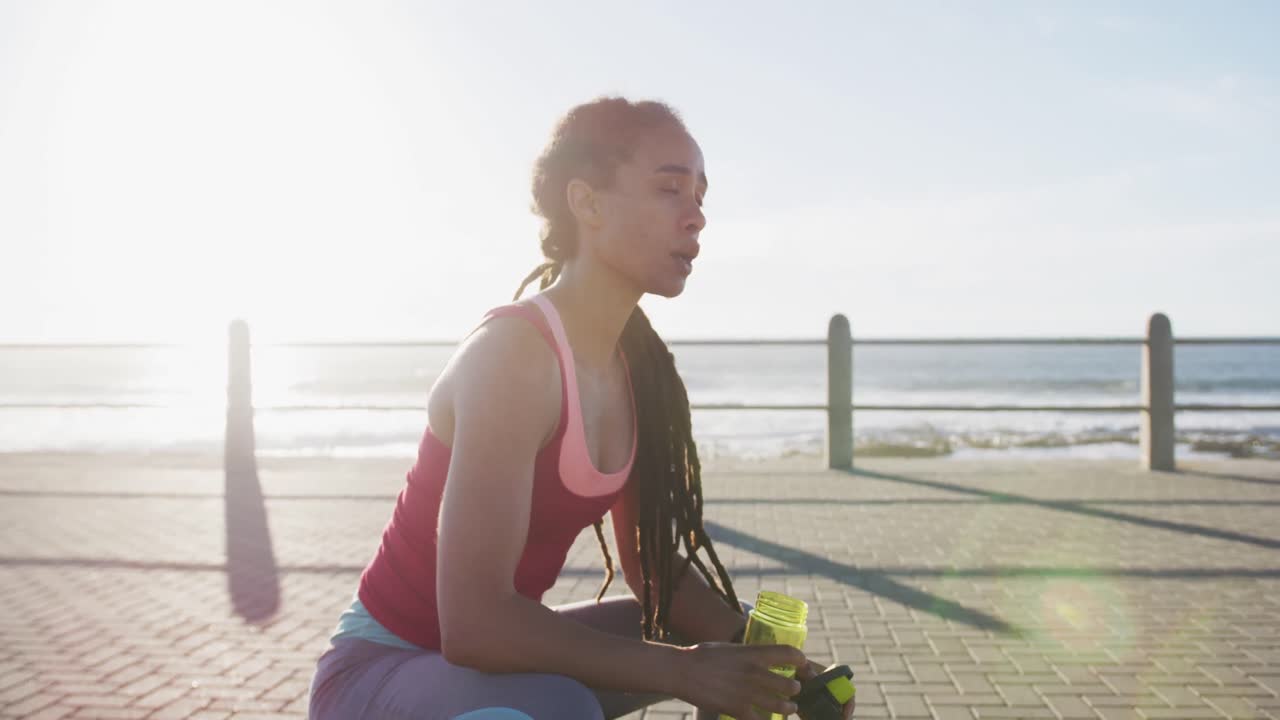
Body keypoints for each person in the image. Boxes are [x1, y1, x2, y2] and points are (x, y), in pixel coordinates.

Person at [307, 96, 856, 720]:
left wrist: (762, 669)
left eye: (701, 196)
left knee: (689, 636)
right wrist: (685, 672)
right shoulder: (514, 356)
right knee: (563, 706)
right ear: (587, 203)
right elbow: (475, 626)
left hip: (479, 674)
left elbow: (652, 570)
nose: (696, 217)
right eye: (670, 190)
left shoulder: (635, 371)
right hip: (381, 672)